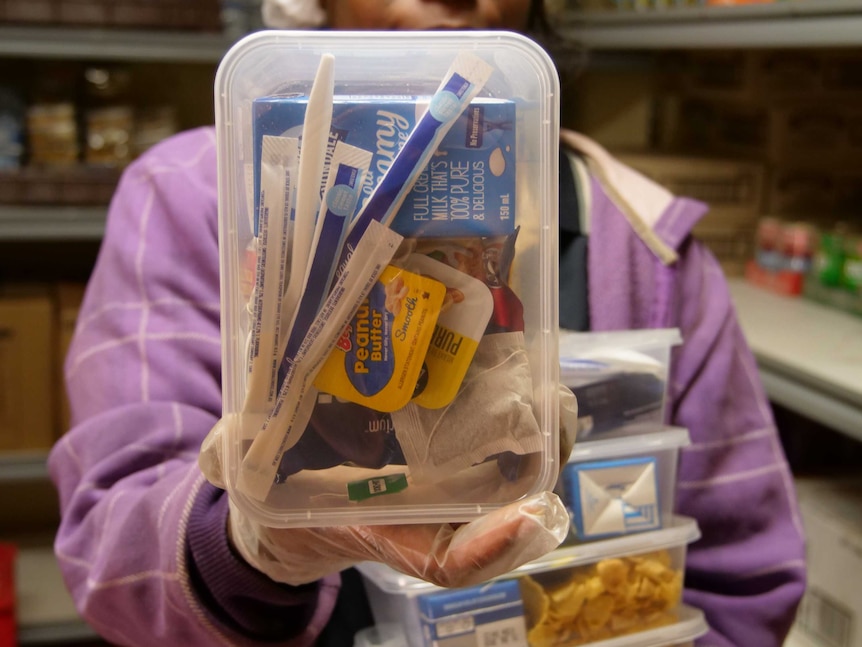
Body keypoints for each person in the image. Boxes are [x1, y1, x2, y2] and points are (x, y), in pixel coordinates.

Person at [48, 0, 806, 645]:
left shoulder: (642, 243)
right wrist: (253, 545)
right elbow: (110, 555)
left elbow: (746, 581)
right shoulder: (191, 199)